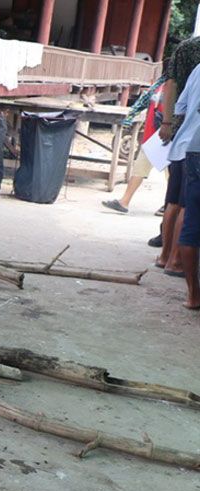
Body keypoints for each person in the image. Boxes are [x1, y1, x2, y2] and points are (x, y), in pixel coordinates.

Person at [157, 37, 200, 275]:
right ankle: (176, 260)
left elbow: (179, 102)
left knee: (173, 201)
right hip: (195, 145)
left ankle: (164, 256)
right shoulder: (191, 51)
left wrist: (168, 122)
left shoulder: (194, 64)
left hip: (182, 137)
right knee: (188, 206)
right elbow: (172, 84)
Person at [102, 74, 167, 214]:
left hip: (170, 137)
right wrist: (130, 116)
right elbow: (144, 102)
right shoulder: (159, 85)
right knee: (139, 169)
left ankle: (169, 205)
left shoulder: (182, 84)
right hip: (152, 137)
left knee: (172, 174)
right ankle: (124, 202)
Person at [165, 59, 200, 308]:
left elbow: (180, 106)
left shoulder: (198, 68)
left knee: (188, 216)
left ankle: (193, 294)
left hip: (193, 148)